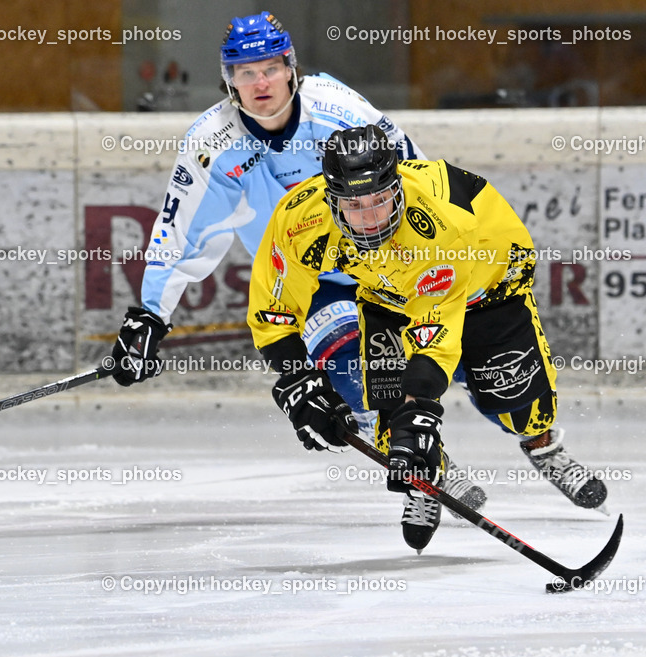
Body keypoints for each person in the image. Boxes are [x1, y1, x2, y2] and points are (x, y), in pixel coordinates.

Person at [108, 11, 486, 544]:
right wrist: (149, 316)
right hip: (309, 281)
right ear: (228, 80)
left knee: (467, 364)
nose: (259, 82)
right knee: (356, 378)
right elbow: (181, 233)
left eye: (269, 68)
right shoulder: (213, 142)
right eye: (245, 72)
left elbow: (419, 178)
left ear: (291, 68)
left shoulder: (339, 113)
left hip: (389, 260)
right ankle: (429, 472)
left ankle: (542, 442)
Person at [247, 124, 608, 550]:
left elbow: (433, 338)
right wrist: (298, 379)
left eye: (380, 200)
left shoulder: (439, 226)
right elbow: (273, 309)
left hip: (491, 284)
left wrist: (418, 412)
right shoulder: (299, 219)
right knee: (389, 407)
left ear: (397, 187)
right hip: (388, 293)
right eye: (354, 205)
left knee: (521, 405)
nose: (370, 219)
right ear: (331, 200)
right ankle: (426, 472)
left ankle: (543, 446)